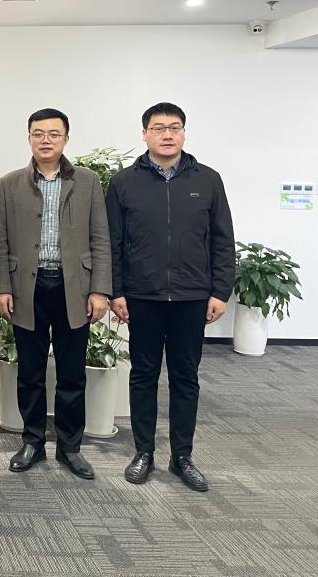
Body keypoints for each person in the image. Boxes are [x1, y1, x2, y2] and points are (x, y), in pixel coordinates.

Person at [106, 102, 234, 492]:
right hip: (141, 297)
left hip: (192, 297)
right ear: (144, 134)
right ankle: (143, 452)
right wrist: (116, 291)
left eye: (174, 127)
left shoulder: (207, 180)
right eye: (159, 128)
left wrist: (220, 291)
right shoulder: (124, 183)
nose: (167, 134)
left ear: (184, 133)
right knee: (143, 376)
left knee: (185, 378)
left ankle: (182, 457)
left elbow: (223, 240)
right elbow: (112, 243)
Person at [0, 108, 111, 479]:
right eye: (38, 133)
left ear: (66, 139)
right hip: (26, 288)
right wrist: (1, 287)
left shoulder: (88, 181)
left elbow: (100, 237)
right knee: (30, 371)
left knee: (72, 372)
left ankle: (70, 447)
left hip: (74, 288)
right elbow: (0, 240)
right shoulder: (10, 183)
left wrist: (100, 290)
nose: (46, 140)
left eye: (53, 134)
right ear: (29, 138)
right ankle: (32, 442)